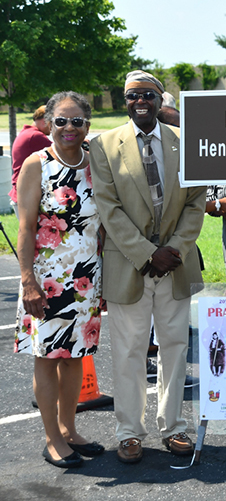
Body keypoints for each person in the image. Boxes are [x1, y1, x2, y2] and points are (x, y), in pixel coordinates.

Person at [89, 70, 206, 464]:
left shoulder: (184, 142)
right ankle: (129, 432)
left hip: (175, 263)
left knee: (175, 347)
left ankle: (173, 427)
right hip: (130, 265)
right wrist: (146, 253)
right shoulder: (103, 145)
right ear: (126, 100)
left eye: (148, 95)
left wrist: (172, 249)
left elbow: (195, 202)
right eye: (132, 95)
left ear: (160, 100)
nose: (140, 101)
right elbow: (109, 207)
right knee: (129, 351)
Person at [14, 92, 105, 468]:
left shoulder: (94, 163)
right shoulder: (38, 164)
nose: (69, 128)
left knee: (75, 359)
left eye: (78, 121)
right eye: (62, 121)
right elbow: (25, 225)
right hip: (47, 280)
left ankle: (69, 430)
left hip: (86, 279)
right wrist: (27, 280)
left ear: (87, 125)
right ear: (49, 122)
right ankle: (52, 439)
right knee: (48, 358)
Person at [10, 105, 51, 216]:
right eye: (53, 123)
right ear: (44, 121)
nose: (54, 128)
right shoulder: (36, 136)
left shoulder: (27, 133)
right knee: (32, 233)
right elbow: (62, 155)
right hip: (26, 196)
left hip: (21, 194)